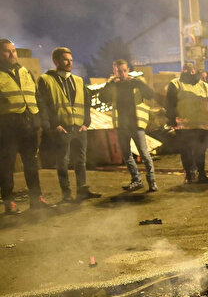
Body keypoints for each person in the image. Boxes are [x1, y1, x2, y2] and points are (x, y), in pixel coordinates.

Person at [37, 47, 101, 202]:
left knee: (80, 161)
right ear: (56, 61)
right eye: (65, 59)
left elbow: (87, 104)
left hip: (79, 128)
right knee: (63, 162)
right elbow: (43, 105)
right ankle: (66, 195)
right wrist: (53, 125)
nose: (69, 63)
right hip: (62, 129)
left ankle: (82, 190)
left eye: (71, 60)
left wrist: (86, 123)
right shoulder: (46, 80)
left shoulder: (78, 81)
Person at [0, 39, 49, 213]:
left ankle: (36, 198)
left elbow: (37, 97)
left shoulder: (26, 72)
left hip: (29, 127)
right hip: (7, 130)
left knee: (31, 164)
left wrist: (41, 120)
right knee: (7, 166)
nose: (12, 54)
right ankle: (9, 201)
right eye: (7, 51)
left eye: (13, 50)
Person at [98, 59, 158, 192]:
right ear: (114, 71)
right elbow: (102, 98)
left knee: (144, 153)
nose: (122, 73)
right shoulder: (113, 85)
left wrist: (139, 84)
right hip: (121, 126)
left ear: (128, 70)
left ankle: (152, 181)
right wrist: (109, 84)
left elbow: (150, 94)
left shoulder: (136, 83)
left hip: (136, 124)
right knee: (126, 154)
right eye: (118, 71)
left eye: (124, 70)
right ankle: (136, 180)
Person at [165, 61, 208, 183]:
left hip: (202, 123)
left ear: (195, 70)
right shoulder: (176, 84)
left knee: (200, 151)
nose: (189, 71)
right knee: (186, 151)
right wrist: (172, 119)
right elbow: (170, 104)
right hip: (184, 125)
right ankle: (189, 174)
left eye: (191, 69)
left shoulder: (204, 85)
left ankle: (201, 174)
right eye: (186, 69)